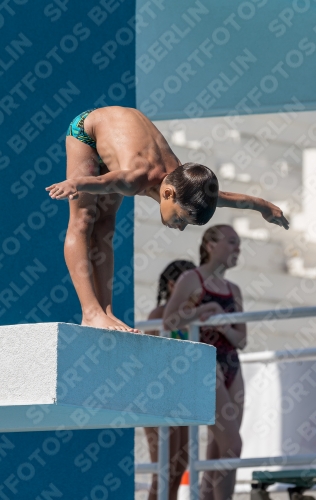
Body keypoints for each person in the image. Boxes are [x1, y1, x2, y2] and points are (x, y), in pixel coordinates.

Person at [45, 106, 289, 331]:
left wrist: (264, 207)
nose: (180, 228)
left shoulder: (187, 186)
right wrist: (74, 183)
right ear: (168, 193)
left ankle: (106, 311)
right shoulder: (134, 179)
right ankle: (90, 313)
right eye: (182, 219)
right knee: (83, 219)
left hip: (118, 141)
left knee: (106, 226)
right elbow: (101, 182)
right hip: (88, 132)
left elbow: (229, 198)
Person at [163, 225, 246, 500]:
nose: (237, 249)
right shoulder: (192, 278)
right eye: (232, 242)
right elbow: (169, 320)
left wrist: (223, 326)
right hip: (205, 362)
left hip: (231, 363)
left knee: (219, 451)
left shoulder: (234, 290)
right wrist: (204, 310)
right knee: (232, 445)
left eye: (239, 244)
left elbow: (241, 339)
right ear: (210, 245)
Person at [144, 259, 196, 500]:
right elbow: (151, 361)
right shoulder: (158, 315)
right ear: (173, 285)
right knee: (164, 469)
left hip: (182, 396)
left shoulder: (190, 317)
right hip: (159, 397)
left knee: (180, 464)